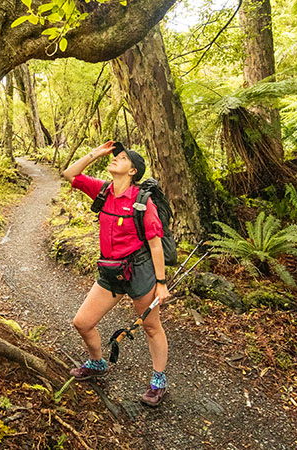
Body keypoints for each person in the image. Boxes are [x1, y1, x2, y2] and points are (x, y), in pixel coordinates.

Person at [61, 140, 171, 407]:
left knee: (151, 326)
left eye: (121, 158)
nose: (114, 159)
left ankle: (159, 382)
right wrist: (95, 154)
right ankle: (98, 363)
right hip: (111, 271)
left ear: (133, 171)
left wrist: (161, 283)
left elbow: (155, 244)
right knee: (82, 322)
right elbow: (69, 174)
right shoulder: (103, 191)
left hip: (139, 272)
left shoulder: (142, 202)